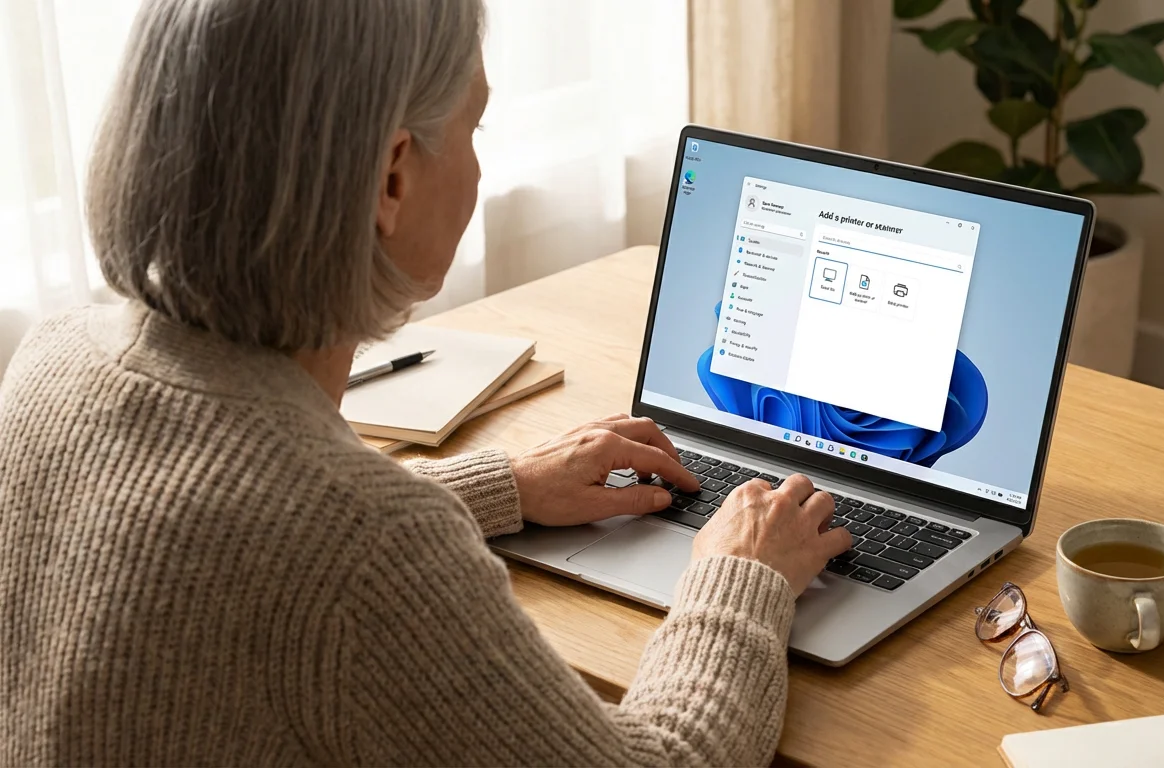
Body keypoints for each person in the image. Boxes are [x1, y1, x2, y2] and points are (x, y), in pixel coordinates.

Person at [0, 1, 852, 765]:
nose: (480, 167)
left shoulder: (56, 358)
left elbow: (232, 532)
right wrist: (743, 578)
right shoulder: (363, 549)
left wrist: (504, 485)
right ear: (391, 179)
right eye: (475, 128)